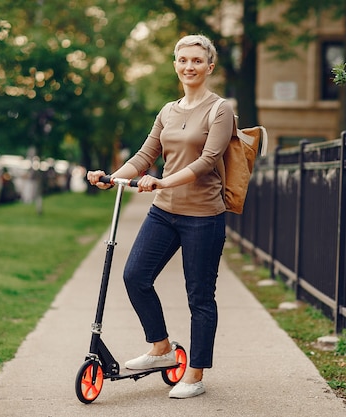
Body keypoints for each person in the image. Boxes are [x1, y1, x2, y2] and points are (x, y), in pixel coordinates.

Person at [87, 34, 235, 399]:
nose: (189, 66)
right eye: (183, 60)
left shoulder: (220, 109)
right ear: (175, 64)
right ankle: (161, 349)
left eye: (197, 61)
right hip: (164, 212)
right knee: (135, 275)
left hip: (203, 216)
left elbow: (207, 162)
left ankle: (195, 374)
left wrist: (163, 180)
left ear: (209, 67)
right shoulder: (168, 111)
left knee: (199, 295)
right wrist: (112, 178)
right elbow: (144, 156)